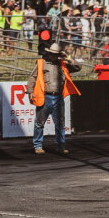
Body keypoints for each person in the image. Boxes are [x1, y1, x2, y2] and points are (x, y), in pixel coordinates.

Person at [25, 25, 82, 155]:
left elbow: (78, 67)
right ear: (48, 53)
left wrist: (67, 58)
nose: (53, 56)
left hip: (58, 97)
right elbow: (32, 78)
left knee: (60, 124)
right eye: (52, 54)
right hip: (45, 97)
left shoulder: (64, 64)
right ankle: (38, 146)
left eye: (56, 54)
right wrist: (30, 91)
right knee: (39, 123)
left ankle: (61, 146)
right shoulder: (41, 63)